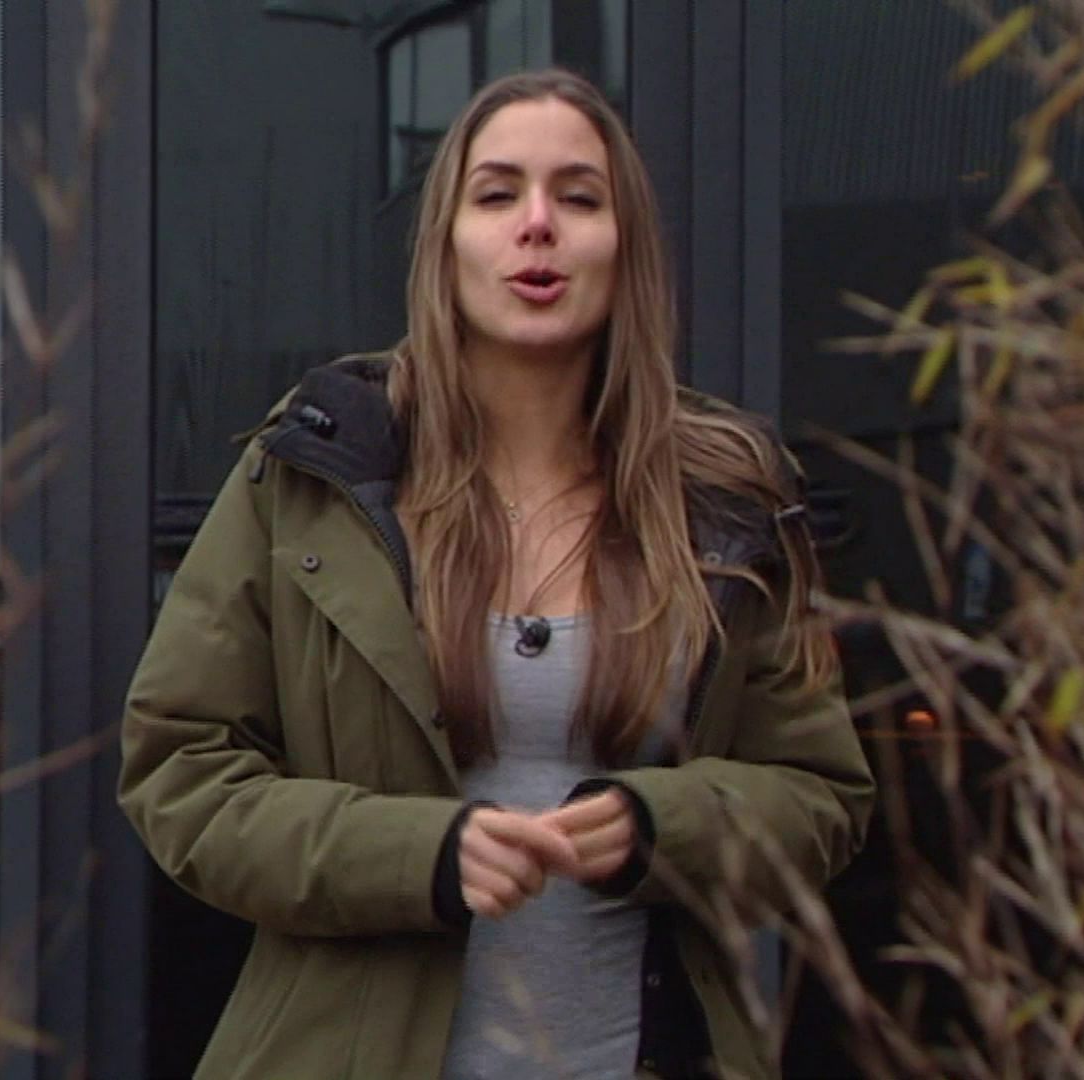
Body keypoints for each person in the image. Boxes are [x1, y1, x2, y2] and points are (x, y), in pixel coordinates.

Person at [118, 68, 874, 1080]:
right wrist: (418, 855)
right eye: (497, 193)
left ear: (626, 247)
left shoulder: (724, 496)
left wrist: (659, 828)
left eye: (579, 197)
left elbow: (820, 796)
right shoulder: (315, 474)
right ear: (446, 243)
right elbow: (180, 773)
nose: (538, 225)